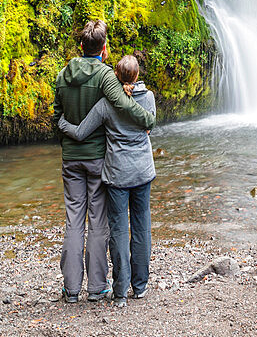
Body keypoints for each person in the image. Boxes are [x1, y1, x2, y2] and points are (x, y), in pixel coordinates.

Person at [53, 20, 155, 304]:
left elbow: (57, 114)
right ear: (104, 49)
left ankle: (71, 289)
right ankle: (97, 287)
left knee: (74, 220)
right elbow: (121, 104)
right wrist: (148, 120)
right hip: (98, 158)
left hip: (71, 158)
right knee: (98, 221)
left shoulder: (62, 75)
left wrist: (65, 139)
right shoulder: (105, 76)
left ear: (81, 46)